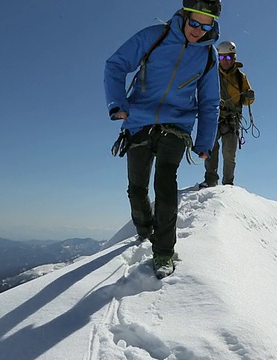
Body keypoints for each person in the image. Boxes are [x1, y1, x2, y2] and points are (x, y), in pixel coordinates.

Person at [104, 0, 222, 279]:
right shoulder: (154, 36)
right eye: (194, 23)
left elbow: (210, 102)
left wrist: (204, 142)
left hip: (177, 125)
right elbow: (116, 65)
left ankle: (164, 253)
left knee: (166, 185)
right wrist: (117, 103)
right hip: (139, 121)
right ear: (184, 16)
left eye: (206, 26)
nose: (198, 31)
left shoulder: (208, 55)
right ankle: (144, 231)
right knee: (137, 187)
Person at [199, 40, 255, 188]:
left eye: (228, 58)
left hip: (231, 119)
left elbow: (246, 100)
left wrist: (250, 98)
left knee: (229, 152)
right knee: (211, 148)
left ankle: (228, 183)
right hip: (215, 116)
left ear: (234, 58)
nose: (225, 61)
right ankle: (210, 179)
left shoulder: (240, 77)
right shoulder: (213, 75)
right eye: (222, 58)